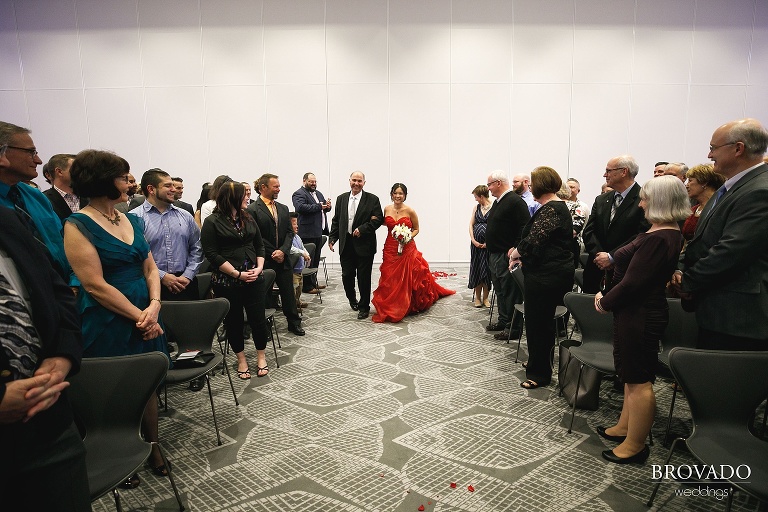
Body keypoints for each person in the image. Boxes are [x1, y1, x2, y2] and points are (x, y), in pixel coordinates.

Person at [63, 149, 170, 488]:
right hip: (108, 315)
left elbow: (150, 267)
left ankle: (152, 444)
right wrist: (142, 314)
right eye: (123, 177)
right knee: (115, 387)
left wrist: (154, 305)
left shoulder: (131, 218)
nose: (129, 182)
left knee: (147, 382)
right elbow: (94, 285)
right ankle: (118, 452)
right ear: (102, 181)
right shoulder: (77, 224)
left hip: (145, 307)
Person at [0, 151, 90, 510]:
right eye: (29, 150)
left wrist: (62, 355)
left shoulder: (12, 218)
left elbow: (56, 290)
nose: (36, 157)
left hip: (50, 422)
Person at [594, 176, 689, 464]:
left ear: (660, 201)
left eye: (646, 198)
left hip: (641, 313)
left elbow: (634, 283)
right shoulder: (659, 232)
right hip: (634, 311)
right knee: (629, 373)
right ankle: (626, 426)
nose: (641, 202)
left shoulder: (661, 237)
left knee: (639, 379)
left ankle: (635, 444)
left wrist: (605, 302)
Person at [673, 118, 768, 350]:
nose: (709, 155)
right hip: (717, 309)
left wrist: (688, 281)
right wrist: (680, 268)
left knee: (727, 385)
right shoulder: (730, 188)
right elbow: (701, 241)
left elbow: (731, 252)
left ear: (738, 148)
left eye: (713, 148)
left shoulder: (760, 190)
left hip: (738, 318)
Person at [509, 167, 574, 389]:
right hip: (545, 274)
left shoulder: (553, 209)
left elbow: (534, 240)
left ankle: (539, 374)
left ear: (540, 185)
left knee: (539, 324)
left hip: (547, 276)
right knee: (538, 323)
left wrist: (515, 253)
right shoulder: (553, 207)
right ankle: (539, 362)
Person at [201, 181, 271, 379]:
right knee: (234, 321)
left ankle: (261, 356)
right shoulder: (212, 221)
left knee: (258, 319)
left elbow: (259, 245)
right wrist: (236, 274)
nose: (248, 198)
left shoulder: (248, 217)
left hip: (254, 277)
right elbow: (211, 254)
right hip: (228, 280)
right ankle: (241, 359)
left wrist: (259, 267)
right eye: (243, 195)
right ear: (231, 198)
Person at [0, 122, 75, 286]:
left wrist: (74, 283)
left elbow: (65, 243)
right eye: (30, 152)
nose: (39, 161)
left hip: (61, 290)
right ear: (2, 152)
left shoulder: (35, 196)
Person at [371, 183, 454, 323]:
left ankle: (408, 304)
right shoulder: (386, 209)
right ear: (391, 194)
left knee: (409, 276)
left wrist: (407, 236)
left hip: (407, 248)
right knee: (390, 276)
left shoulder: (410, 211)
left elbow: (416, 228)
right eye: (395, 193)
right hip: (390, 248)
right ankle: (392, 303)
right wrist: (376, 220)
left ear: (405, 196)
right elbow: (386, 222)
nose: (398, 196)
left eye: (401, 193)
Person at [130, 169, 203, 302]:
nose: (174, 189)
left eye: (174, 186)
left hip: (186, 284)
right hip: (150, 285)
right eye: (168, 186)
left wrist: (188, 275)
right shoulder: (134, 218)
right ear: (151, 189)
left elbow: (197, 248)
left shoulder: (185, 216)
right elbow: (135, 256)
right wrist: (162, 276)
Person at [582, 155, 649, 294]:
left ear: (624, 172)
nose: (604, 175)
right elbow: (589, 231)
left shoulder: (645, 198)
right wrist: (600, 257)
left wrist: (612, 257)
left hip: (626, 270)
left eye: (608, 171)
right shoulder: (601, 200)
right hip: (596, 269)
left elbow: (641, 234)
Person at [247, 173, 305, 335]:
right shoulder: (252, 210)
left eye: (279, 186)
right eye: (275, 186)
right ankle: (265, 326)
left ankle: (294, 323)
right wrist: (274, 252)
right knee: (264, 294)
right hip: (264, 259)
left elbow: (289, 233)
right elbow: (256, 237)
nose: (279, 189)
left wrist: (283, 251)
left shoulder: (283, 208)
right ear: (263, 187)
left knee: (288, 293)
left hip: (283, 258)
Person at [328, 171, 383, 319]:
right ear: (349, 181)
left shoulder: (372, 199)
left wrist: (363, 229)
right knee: (347, 276)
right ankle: (352, 300)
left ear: (364, 183)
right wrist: (332, 238)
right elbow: (336, 220)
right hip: (346, 244)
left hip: (365, 245)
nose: (356, 183)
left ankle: (364, 306)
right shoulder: (341, 199)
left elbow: (378, 219)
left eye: (360, 181)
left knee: (363, 277)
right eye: (354, 180)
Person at [484, 171, 530, 340]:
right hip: (495, 254)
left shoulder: (515, 202)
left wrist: (516, 248)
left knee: (511, 292)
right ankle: (504, 321)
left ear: (498, 183)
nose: (488, 188)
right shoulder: (499, 201)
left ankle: (514, 328)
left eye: (489, 184)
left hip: (506, 255)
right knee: (501, 291)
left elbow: (524, 227)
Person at [291, 172, 331, 294]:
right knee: (308, 260)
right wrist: (320, 206)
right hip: (307, 232)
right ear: (304, 181)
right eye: (311, 181)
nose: (313, 183)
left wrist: (328, 206)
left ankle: (313, 283)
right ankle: (307, 286)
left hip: (318, 231)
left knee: (315, 259)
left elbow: (323, 207)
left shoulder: (318, 193)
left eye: (315, 181)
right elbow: (301, 208)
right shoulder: (298, 193)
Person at [681, 164, 725, 242]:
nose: (687, 185)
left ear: (704, 183)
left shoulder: (720, 207)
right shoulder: (693, 209)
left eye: (690, 181)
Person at [42, 153, 87, 222]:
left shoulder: (89, 196)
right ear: (59, 172)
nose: (81, 173)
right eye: (76, 169)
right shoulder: (43, 200)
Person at [468, 184, 493, 308]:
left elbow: (496, 227)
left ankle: (486, 298)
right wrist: (473, 239)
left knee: (487, 270)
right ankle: (477, 298)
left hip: (488, 246)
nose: (475, 199)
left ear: (482, 196)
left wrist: (489, 242)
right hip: (476, 246)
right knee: (477, 269)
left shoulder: (494, 207)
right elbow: (471, 224)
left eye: (476, 197)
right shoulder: (476, 207)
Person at [556, 182, 587, 268]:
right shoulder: (577, 207)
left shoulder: (549, 207)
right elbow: (575, 230)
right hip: (570, 249)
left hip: (565, 249)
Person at [289, 212, 311, 310]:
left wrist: (307, 254)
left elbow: (303, 248)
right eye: (294, 224)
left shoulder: (297, 237)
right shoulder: (288, 238)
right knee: (293, 288)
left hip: (299, 269)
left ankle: (298, 301)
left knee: (299, 288)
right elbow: (291, 249)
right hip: (293, 270)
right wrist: (302, 252)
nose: (297, 226)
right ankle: (293, 304)